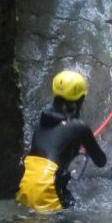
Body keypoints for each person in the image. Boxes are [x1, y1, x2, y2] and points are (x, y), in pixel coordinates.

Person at [15, 70, 107, 212]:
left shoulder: (44, 117)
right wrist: (87, 146)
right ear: (80, 99)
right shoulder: (79, 127)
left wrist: (77, 149)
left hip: (25, 184)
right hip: (46, 189)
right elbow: (101, 162)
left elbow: (54, 147)